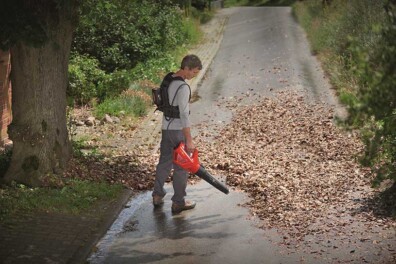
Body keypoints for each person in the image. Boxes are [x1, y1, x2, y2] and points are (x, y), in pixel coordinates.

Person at [152, 54, 202, 214]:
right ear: (186, 68)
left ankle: (157, 196)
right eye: (193, 72)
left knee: (164, 162)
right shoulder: (183, 87)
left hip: (166, 129)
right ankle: (178, 202)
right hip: (178, 131)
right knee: (181, 167)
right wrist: (189, 139)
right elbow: (184, 115)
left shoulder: (169, 79)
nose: (193, 76)